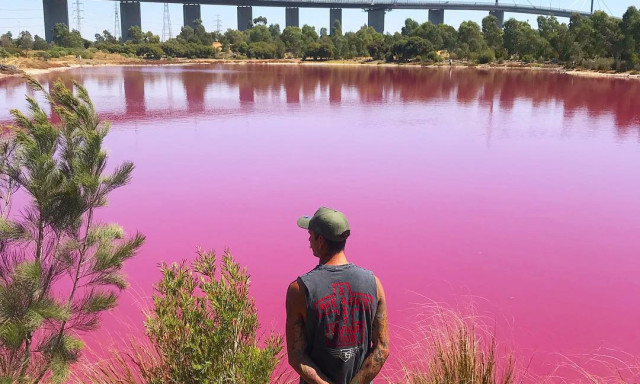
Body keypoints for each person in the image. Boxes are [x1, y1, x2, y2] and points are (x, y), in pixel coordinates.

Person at [286, 207, 389, 384]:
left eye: (310, 234)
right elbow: (382, 348)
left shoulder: (300, 290)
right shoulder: (374, 284)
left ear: (320, 240)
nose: (308, 240)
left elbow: (296, 356)